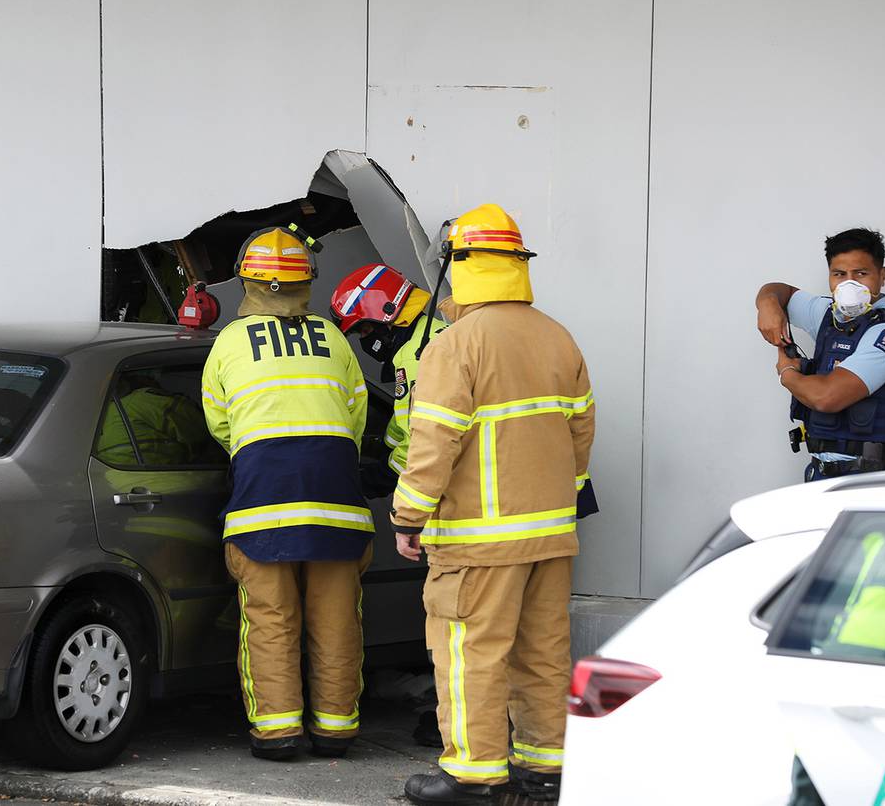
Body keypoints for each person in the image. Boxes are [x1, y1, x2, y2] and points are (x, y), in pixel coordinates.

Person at [391, 205, 593, 805]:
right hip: (551, 536)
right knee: (543, 654)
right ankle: (545, 772)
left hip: (479, 542)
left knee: (469, 653)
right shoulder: (558, 336)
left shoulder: (456, 345)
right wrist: (562, 501)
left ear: (461, 267)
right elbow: (581, 435)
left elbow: (433, 444)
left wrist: (408, 517)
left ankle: (474, 776)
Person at [201, 226, 375, 761]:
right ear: (308, 282)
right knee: (337, 619)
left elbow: (220, 424)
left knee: (270, 620)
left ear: (247, 282)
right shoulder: (334, 339)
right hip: (338, 502)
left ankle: (277, 733)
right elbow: (356, 417)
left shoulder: (229, 343)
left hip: (262, 502)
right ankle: (335, 731)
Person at [755, 228, 885, 482]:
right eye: (839, 274)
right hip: (820, 476)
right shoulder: (828, 314)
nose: (849, 284)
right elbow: (779, 290)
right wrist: (768, 305)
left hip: (870, 483)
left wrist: (787, 373)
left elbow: (827, 398)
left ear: (882, 276)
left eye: (861, 273)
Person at [329, 263, 455, 485]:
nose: (365, 340)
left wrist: (380, 477)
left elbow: (420, 444)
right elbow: (404, 419)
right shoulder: (437, 331)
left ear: (385, 314)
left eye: (365, 330)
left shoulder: (414, 359)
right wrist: (382, 447)